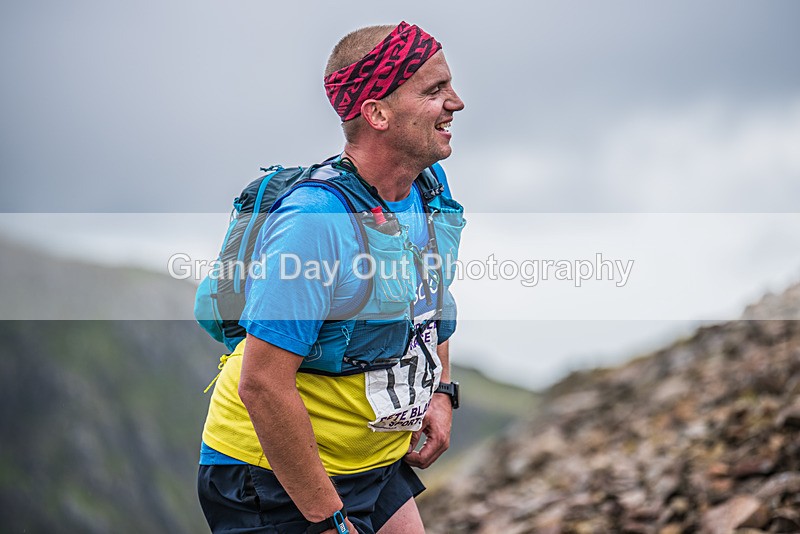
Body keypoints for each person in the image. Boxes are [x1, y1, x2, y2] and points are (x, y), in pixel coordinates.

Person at [197, 21, 465, 534]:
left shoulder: (426, 186)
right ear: (377, 113)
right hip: (272, 475)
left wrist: (439, 391)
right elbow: (262, 384)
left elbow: (431, 297)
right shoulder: (316, 222)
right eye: (434, 90)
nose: (456, 102)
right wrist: (329, 519)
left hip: (371, 459)